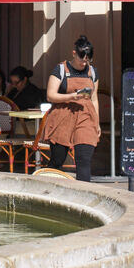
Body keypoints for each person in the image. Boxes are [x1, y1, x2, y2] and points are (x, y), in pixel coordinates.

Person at [43, 36, 100, 182]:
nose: (84, 63)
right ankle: (48, 187)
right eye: (81, 59)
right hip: (62, 116)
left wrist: (97, 122)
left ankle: (84, 193)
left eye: (87, 60)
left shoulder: (92, 72)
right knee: (57, 160)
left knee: (83, 159)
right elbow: (50, 95)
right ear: (74, 53)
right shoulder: (61, 69)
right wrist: (71, 96)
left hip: (86, 116)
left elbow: (94, 99)